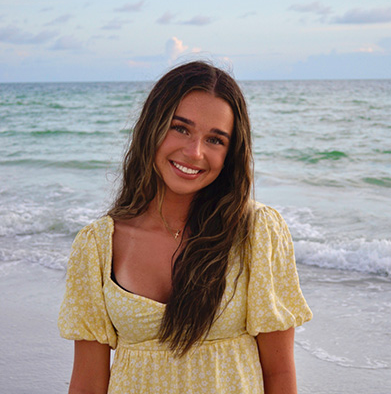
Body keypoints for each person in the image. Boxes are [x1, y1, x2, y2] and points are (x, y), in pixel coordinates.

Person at [58, 61, 312, 394]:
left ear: (230, 154)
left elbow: (278, 373)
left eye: (215, 140)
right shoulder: (97, 246)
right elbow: (88, 384)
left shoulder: (257, 233)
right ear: (152, 126)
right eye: (181, 128)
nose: (194, 152)